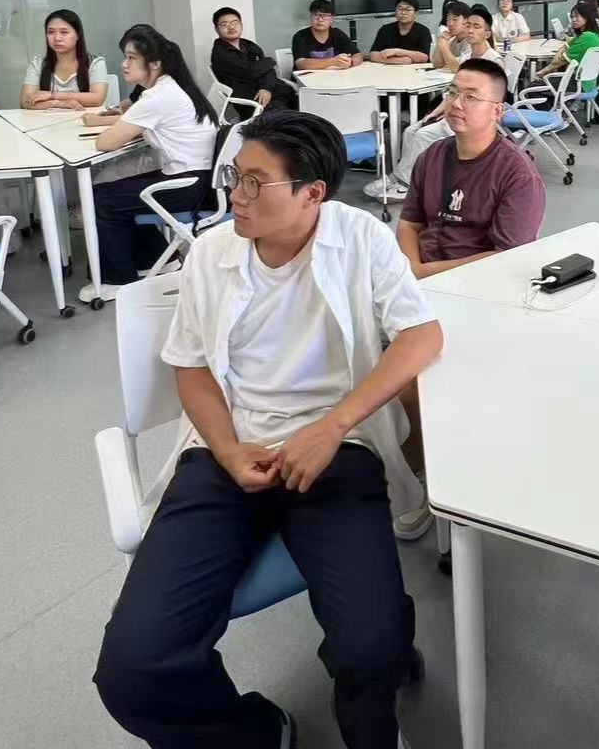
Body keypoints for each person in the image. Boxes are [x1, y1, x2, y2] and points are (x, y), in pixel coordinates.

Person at [94, 111, 443, 749]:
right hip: (227, 455)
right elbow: (191, 368)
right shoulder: (211, 253)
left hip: (336, 452)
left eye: (256, 182)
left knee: (371, 650)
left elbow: (422, 335)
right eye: (235, 177)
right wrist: (228, 451)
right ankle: (255, 733)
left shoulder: (361, 237)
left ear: (313, 194)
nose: (236, 195)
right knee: (133, 668)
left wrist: (333, 427)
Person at [78, 24, 218, 302]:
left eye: (131, 58)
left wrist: (115, 127)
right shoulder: (174, 87)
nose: (124, 64)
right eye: (125, 57)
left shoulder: (157, 96)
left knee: (101, 198)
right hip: (202, 180)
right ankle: (159, 259)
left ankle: (118, 280)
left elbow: (105, 143)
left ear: (154, 64)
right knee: (117, 192)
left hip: (190, 186)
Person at [397, 57, 545, 279]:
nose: (456, 103)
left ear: (496, 111)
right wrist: (411, 268)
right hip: (418, 274)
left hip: (477, 282)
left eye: (471, 97)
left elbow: (507, 257)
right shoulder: (431, 156)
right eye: (452, 92)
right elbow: (409, 224)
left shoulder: (518, 175)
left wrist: (424, 272)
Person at [367, 5, 507, 202]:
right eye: (468, 25)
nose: (470, 30)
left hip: (473, 119)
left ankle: (403, 184)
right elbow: (453, 92)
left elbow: (485, 101)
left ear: (487, 33)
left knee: (423, 135)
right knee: (411, 131)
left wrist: (451, 113)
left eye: (476, 26)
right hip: (455, 112)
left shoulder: (493, 61)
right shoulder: (468, 56)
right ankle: (406, 179)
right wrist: (436, 113)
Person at [209, 6, 298, 114]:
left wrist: (266, 88)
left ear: (241, 25)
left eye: (235, 22)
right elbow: (251, 71)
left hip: (270, 92)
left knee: (298, 101)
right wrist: (270, 61)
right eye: (224, 24)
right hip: (251, 100)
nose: (231, 27)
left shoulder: (249, 45)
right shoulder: (220, 53)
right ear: (216, 29)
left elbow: (268, 71)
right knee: (286, 115)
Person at [21, 8, 111, 110]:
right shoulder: (38, 64)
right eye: (51, 32)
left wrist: (52, 95)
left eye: (64, 32)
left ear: (78, 35)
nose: (57, 38)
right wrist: (59, 103)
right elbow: (26, 101)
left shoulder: (95, 63)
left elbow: (97, 98)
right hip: (47, 118)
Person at [541, 0, 599, 95]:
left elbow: (560, 61)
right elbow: (568, 43)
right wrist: (560, 51)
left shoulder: (587, 37)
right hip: (589, 82)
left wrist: (541, 73)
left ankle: (557, 105)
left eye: (577, 16)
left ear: (587, 17)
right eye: (572, 16)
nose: (573, 20)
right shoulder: (593, 34)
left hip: (580, 83)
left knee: (535, 86)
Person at [292, 0, 362, 72]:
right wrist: (332, 61)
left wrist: (350, 62)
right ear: (310, 17)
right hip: (308, 77)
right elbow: (300, 63)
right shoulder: (300, 36)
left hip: (333, 75)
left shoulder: (337, 33)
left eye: (325, 15)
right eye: (316, 15)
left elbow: (357, 55)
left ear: (332, 19)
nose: (320, 19)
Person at [367, 0, 432, 65]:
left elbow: (424, 57)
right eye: (400, 9)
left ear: (416, 13)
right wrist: (398, 60)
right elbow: (373, 55)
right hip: (388, 69)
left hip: (415, 70)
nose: (403, 13)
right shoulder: (385, 29)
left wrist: (398, 51)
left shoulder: (423, 31)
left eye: (408, 10)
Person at [430, 0, 471, 72]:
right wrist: (441, 40)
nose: (450, 24)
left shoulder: (472, 40)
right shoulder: (452, 40)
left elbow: (458, 68)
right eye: (448, 19)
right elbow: (437, 64)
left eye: (455, 19)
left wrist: (444, 46)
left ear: (466, 20)